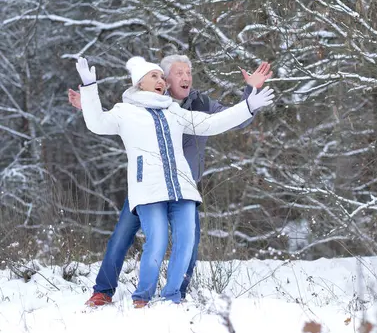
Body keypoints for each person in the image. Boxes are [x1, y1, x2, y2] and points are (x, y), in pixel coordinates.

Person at [69, 55, 271, 307]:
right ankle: (114, 292)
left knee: (188, 242)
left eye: (187, 72)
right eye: (168, 75)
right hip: (146, 189)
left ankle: (174, 295)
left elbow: (214, 122)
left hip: (182, 187)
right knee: (134, 239)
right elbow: (98, 122)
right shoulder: (126, 110)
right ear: (143, 82)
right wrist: (89, 91)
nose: (179, 78)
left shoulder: (185, 107)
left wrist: (249, 101)